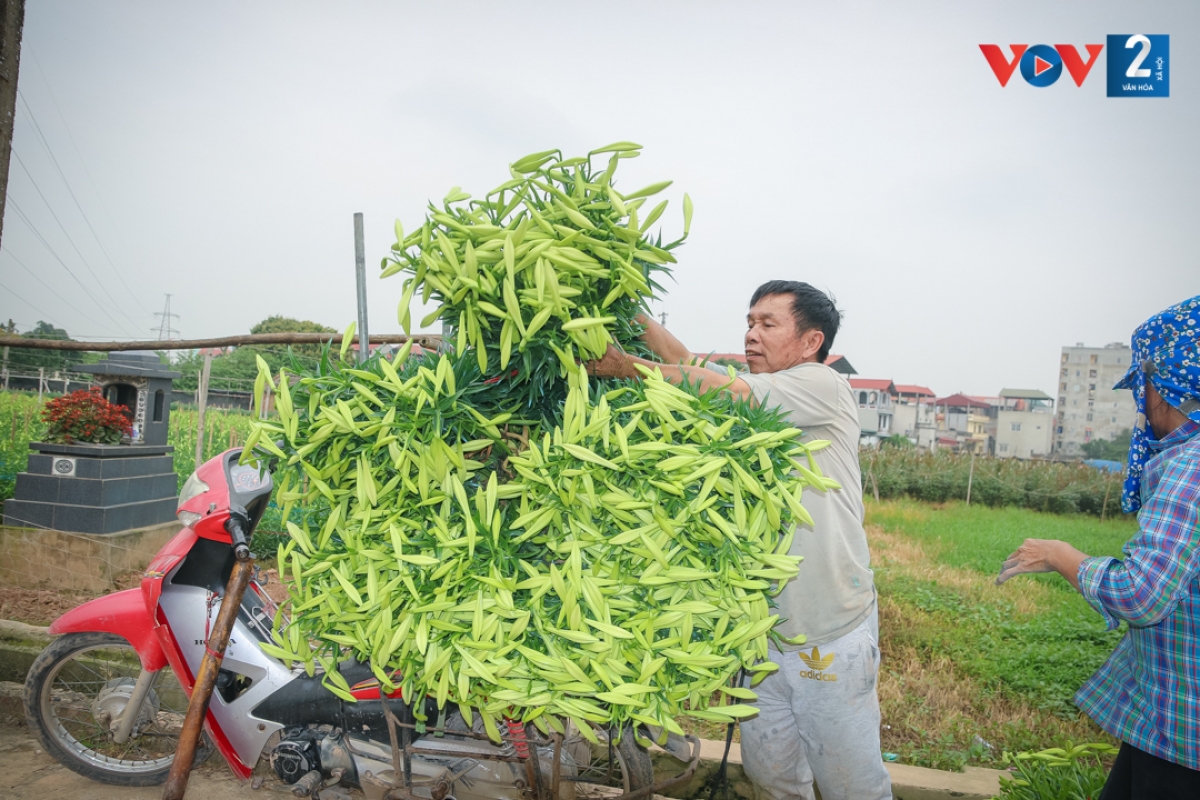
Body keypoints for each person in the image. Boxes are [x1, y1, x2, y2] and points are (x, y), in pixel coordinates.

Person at [590, 280, 891, 800]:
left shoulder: (820, 385)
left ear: (810, 341)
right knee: (773, 779)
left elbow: (718, 387)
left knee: (852, 786)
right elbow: (686, 360)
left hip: (827, 630)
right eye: (749, 323)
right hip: (760, 637)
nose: (752, 334)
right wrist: (624, 304)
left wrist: (626, 367)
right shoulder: (761, 393)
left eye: (768, 324)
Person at [997, 295, 1200, 800]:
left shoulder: (1190, 467)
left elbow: (1142, 595)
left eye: (1143, 383)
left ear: (1163, 384)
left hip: (1185, 731)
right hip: (1169, 722)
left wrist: (1060, 555)